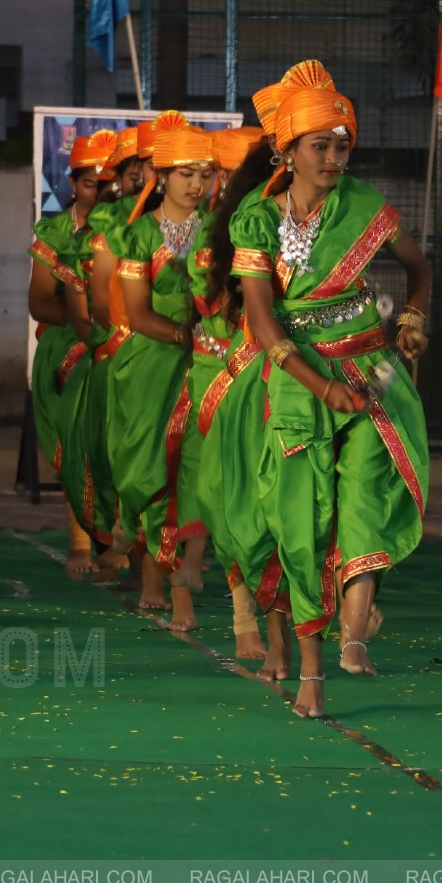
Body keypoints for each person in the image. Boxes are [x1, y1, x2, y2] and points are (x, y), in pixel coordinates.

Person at [211, 59, 430, 718]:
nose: (335, 157)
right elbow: (259, 318)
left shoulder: (363, 205)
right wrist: (317, 385)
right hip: (295, 381)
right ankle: (307, 664)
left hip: (367, 374)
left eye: (342, 144)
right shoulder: (255, 217)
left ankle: (353, 637)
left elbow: (418, 267)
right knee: (297, 522)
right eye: (321, 146)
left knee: (364, 496)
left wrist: (413, 316)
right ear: (287, 148)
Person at [112, 111, 213, 622]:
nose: (197, 185)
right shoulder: (137, 237)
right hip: (151, 364)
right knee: (150, 466)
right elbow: (137, 314)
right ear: (162, 176)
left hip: (205, 364)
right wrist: (185, 335)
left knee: (192, 468)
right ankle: (152, 570)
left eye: (205, 175)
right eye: (186, 174)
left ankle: (181, 583)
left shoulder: (220, 232)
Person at [185, 126, 266, 656]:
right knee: (230, 492)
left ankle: (351, 590)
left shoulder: (320, 223)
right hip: (236, 372)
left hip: (306, 368)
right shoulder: (217, 240)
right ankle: (243, 616)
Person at [63, 127, 145, 578]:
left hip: (164, 352)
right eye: (135, 175)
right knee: (99, 448)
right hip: (112, 351)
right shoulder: (102, 236)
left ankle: (145, 549)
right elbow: (89, 307)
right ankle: (96, 541)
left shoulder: (173, 230)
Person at [29, 133, 107, 576]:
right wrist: (86, 322)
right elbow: (40, 304)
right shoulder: (54, 233)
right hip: (65, 342)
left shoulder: (126, 231)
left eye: (108, 184)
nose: (101, 192)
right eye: (92, 184)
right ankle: (81, 542)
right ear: (74, 185)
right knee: (80, 423)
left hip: (120, 337)